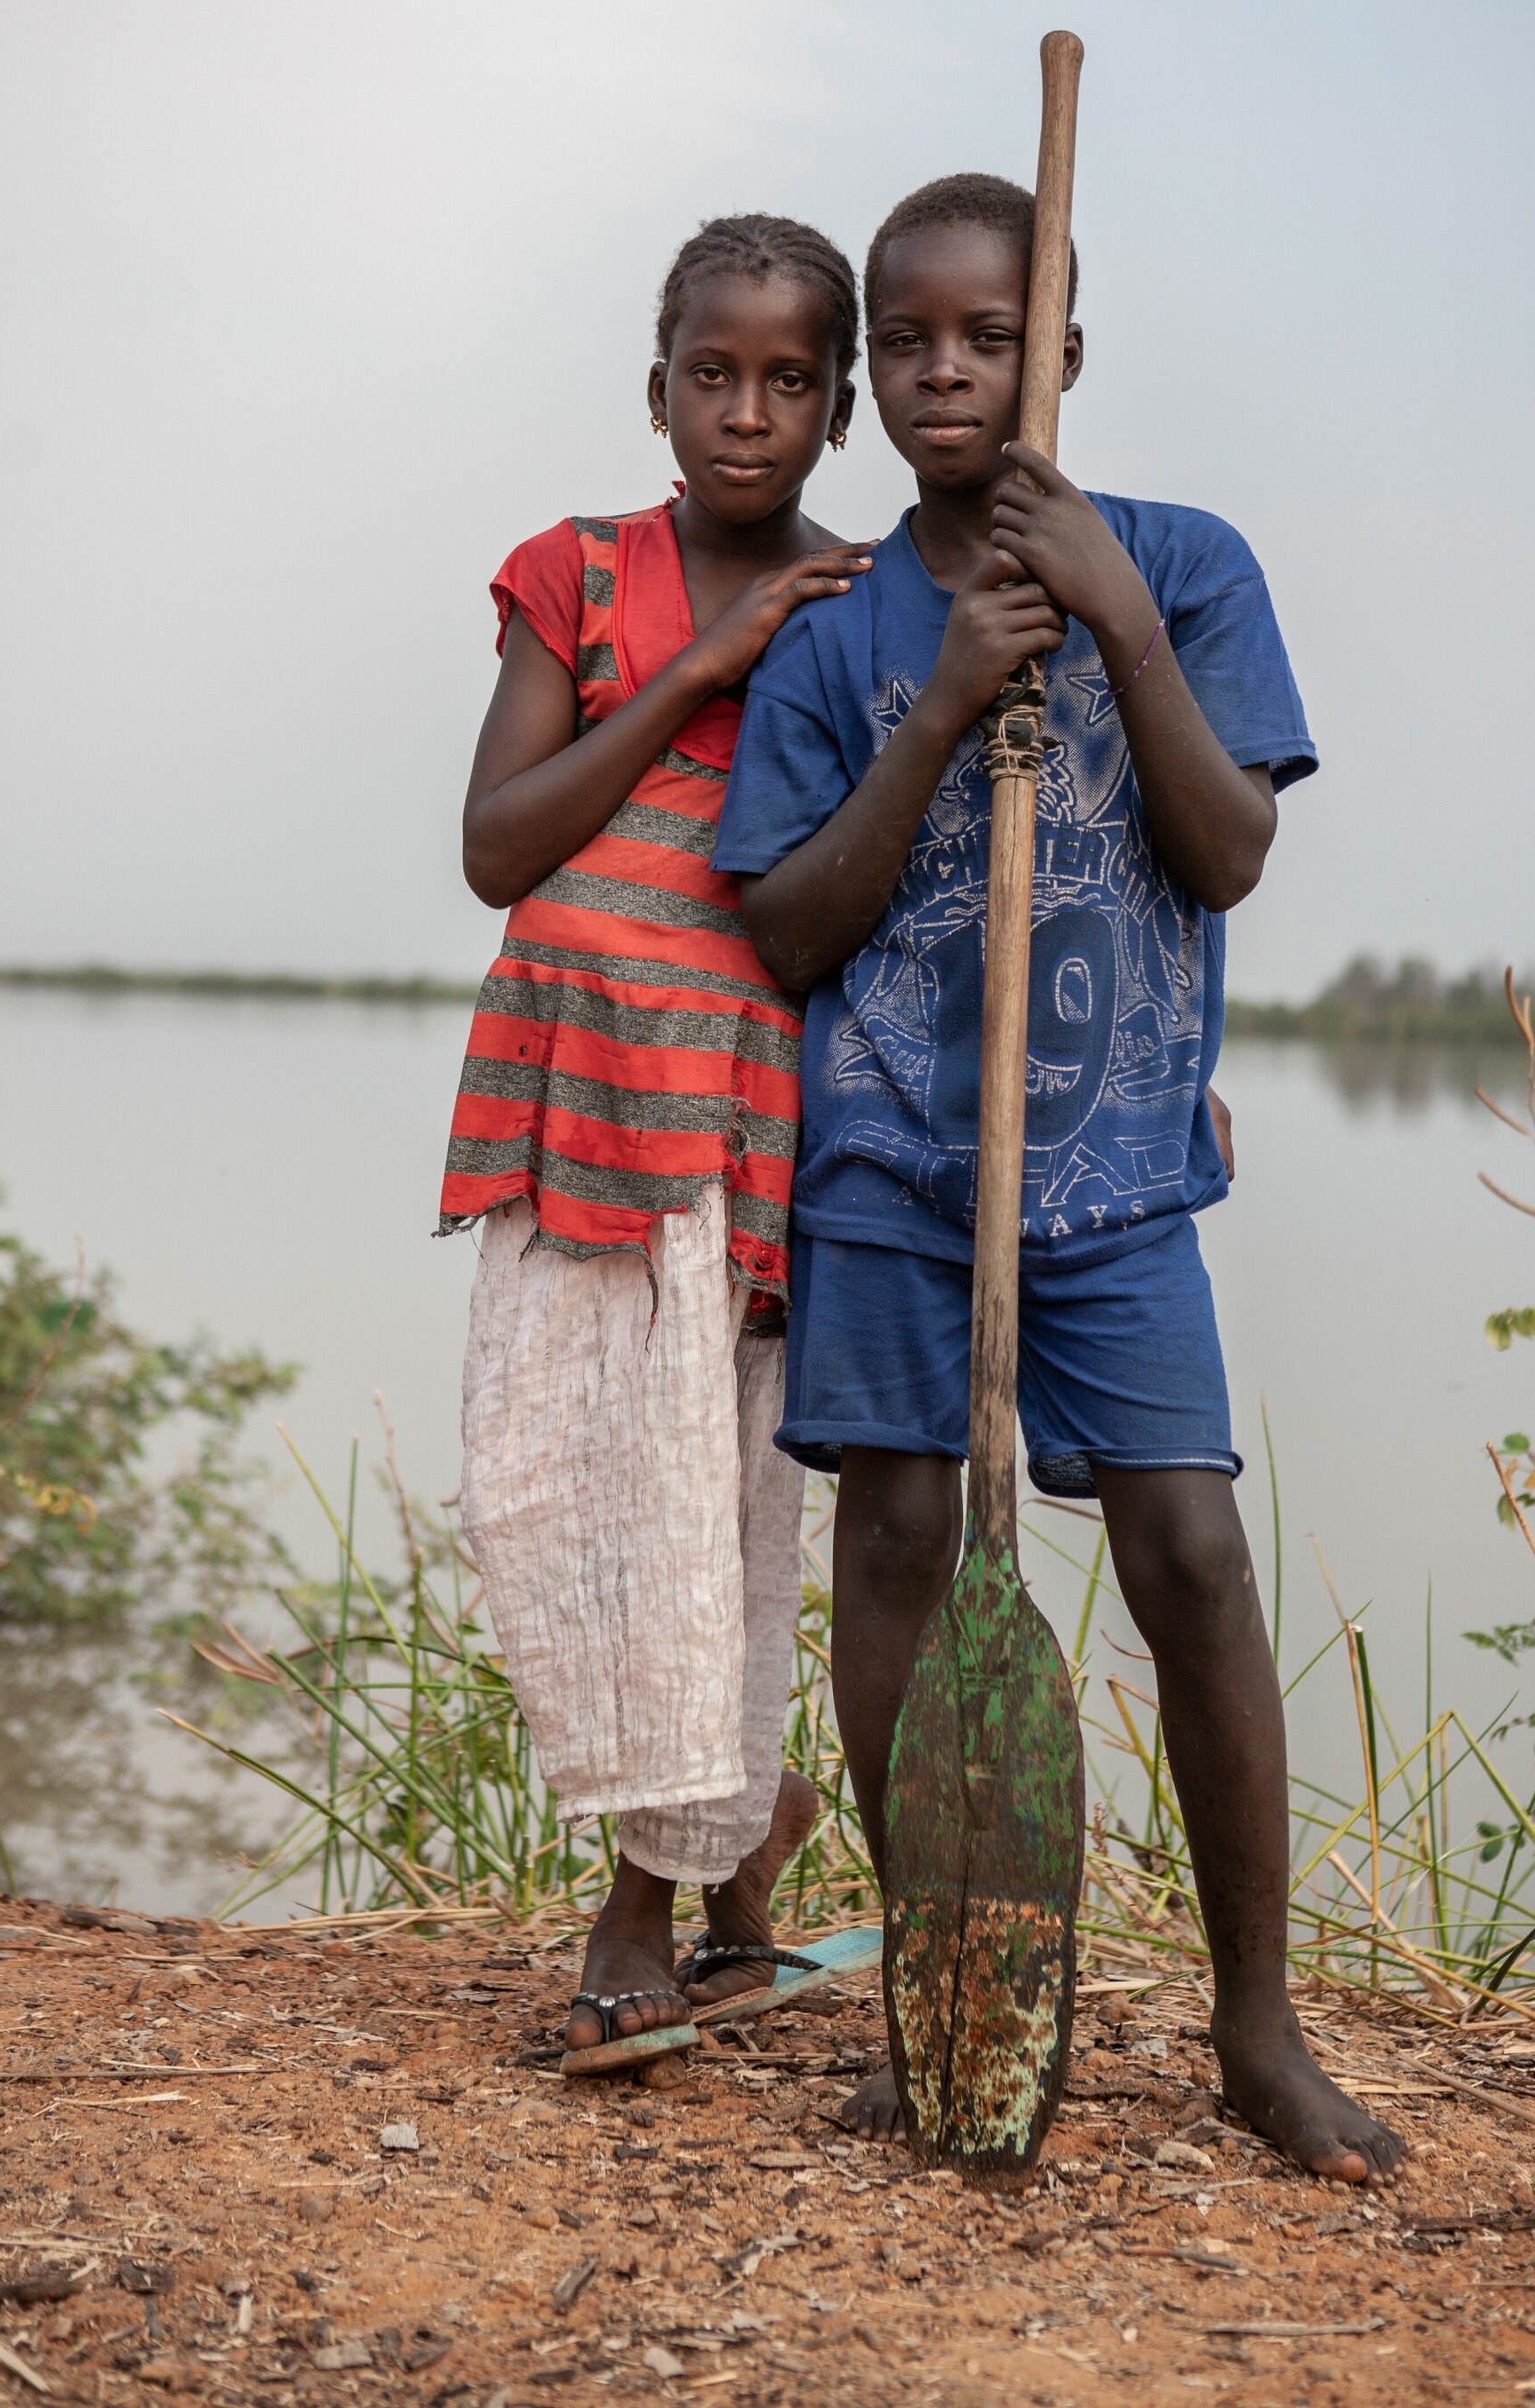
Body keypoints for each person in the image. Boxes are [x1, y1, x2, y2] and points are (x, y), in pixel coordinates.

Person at [714, 173, 1404, 2184]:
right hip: (889, 1177)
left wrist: (1105, 612)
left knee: (1187, 1552)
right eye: (910, 338)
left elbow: (1224, 853)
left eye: (990, 337)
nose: (947, 369)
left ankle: (1255, 2031)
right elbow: (786, 930)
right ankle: (944, 1985)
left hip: (1112, 1188)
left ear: (1062, 359)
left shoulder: (1183, 565)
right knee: (904, 1551)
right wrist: (939, 709)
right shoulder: (844, 627)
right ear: (876, 374)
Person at [440, 214, 875, 2050]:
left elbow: (901, 869)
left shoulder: (874, 601)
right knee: (539, 1488)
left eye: (789, 381)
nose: (747, 413)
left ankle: (653, 1900)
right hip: (573, 1098)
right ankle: (745, 1833)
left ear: (840, 405)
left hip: (745, 1119)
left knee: (718, 1506)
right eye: (713, 373)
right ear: (656, 387)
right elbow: (498, 846)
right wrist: (703, 666)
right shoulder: (584, 575)